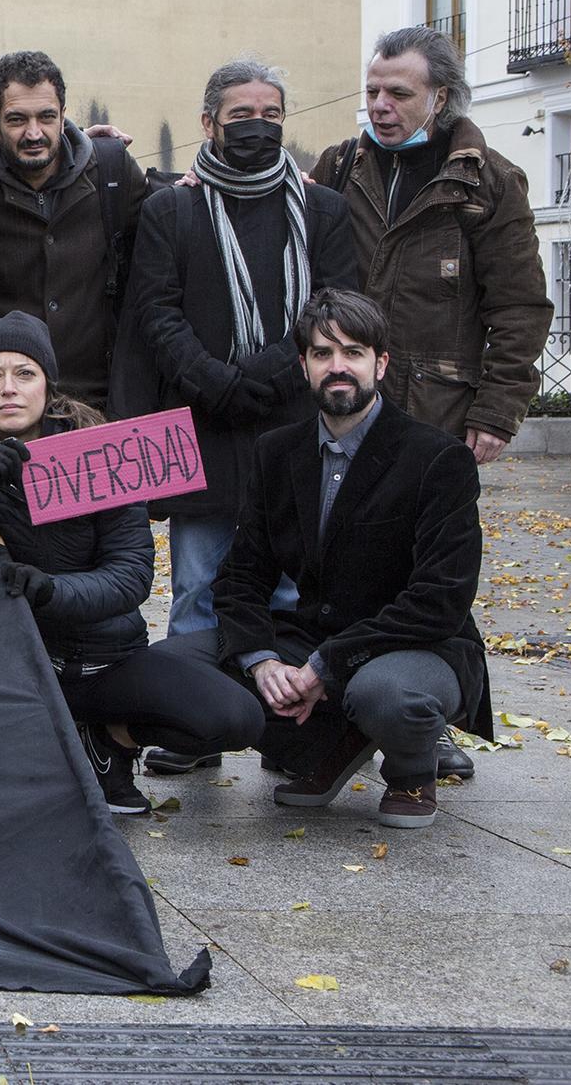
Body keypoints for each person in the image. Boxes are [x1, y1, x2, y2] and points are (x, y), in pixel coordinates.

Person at [0, 312, 264, 813]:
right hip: (19, 670)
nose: (8, 388)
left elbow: (132, 574)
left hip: (108, 660)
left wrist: (52, 590)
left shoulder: (104, 454)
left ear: (49, 383)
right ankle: (56, 742)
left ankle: (111, 739)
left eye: (24, 373)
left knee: (234, 717)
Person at [205, 288, 491, 828]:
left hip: (418, 646)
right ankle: (327, 750)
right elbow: (243, 574)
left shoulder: (437, 458)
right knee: (189, 670)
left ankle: (410, 769)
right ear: (304, 367)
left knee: (384, 694)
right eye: (322, 353)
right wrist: (263, 661)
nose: (338, 367)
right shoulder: (276, 452)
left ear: (380, 364)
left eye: (353, 352)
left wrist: (323, 666)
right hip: (313, 632)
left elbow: (441, 600)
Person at [112, 59, 358, 637]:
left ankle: (286, 713)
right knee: (198, 587)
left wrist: (267, 373)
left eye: (270, 114)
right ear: (209, 123)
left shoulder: (323, 210)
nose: (258, 125)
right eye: (241, 114)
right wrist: (214, 381)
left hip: (297, 421)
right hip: (203, 428)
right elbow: (155, 310)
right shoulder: (172, 208)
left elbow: (334, 307)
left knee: (293, 589)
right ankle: (197, 720)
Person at [313, 26, 550, 464]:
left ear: (439, 98)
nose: (380, 106)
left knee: (427, 531)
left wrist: (497, 410)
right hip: (339, 408)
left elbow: (520, 308)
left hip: (436, 416)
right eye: (372, 91)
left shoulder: (489, 183)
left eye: (398, 93)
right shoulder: (340, 167)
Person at [0, 51, 148, 412]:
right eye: (17, 119)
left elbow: (168, 231)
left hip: (97, 403)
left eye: (46, 117)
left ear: (64, 116)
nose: (34, 133)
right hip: (3, 411)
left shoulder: (112, 172)